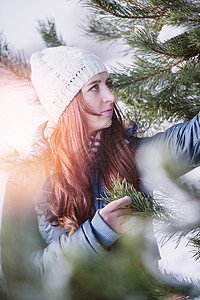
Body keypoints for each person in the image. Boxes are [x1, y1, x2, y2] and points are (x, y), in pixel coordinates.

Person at [1, 46, 200, 294]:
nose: (111, 96)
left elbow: (191, 139)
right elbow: (20, 275)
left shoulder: (129, 154)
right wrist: (98, 232)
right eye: (94, 87)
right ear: (68, 104)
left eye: (107, 83)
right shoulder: (27, 178)